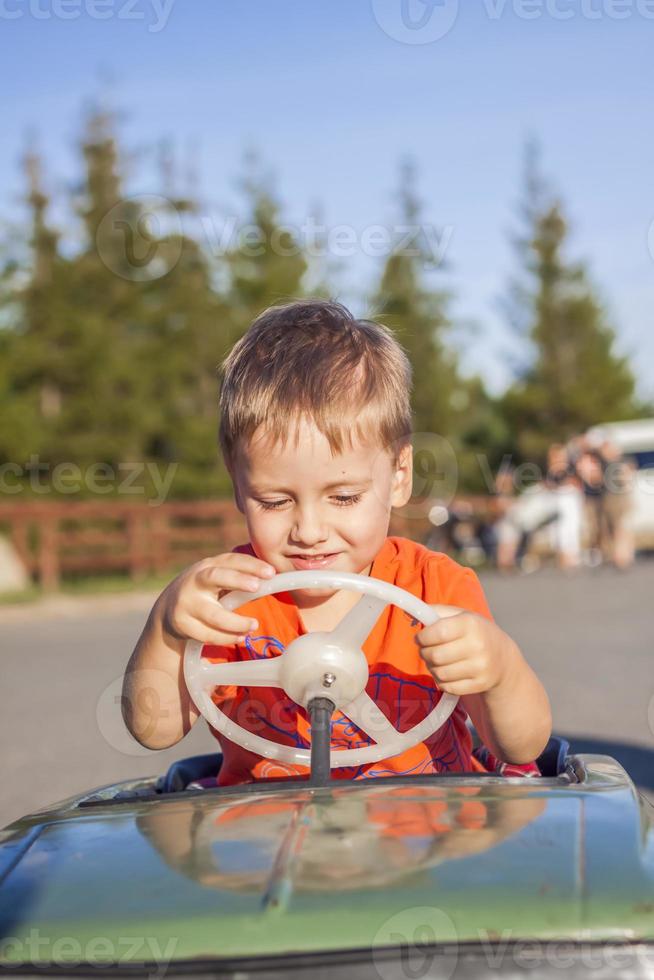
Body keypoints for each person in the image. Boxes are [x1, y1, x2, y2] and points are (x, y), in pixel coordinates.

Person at [122, 300, 551, 785]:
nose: (309, 530)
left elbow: (521, 745)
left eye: (343, 497)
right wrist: (167, 627)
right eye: (275, 501)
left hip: (430, 834)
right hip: (270, 840)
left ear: (399, 476)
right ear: (238, 485)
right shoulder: (228, 601)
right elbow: (154, 731)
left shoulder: (433, 587)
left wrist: (501, 669)